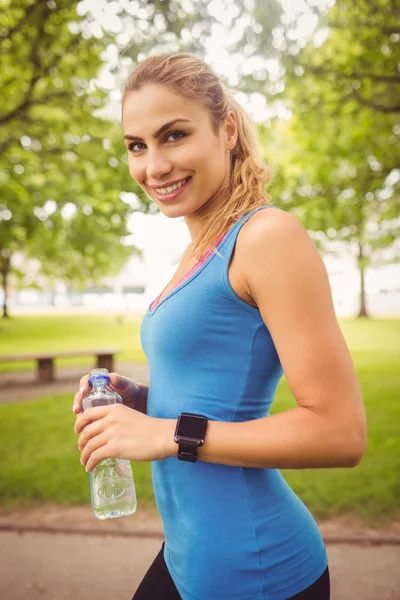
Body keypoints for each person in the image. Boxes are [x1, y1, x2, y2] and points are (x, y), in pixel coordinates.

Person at [72, 53, 367, 600]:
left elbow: (340, 432)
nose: (153, 166)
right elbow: (215, 395)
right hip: (187, 555)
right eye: (136, 145)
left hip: (254, 570)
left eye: (174, 135)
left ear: (226, 129)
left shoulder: (268, 236)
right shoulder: (198, 251)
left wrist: (164, 434)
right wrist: (139, 401)